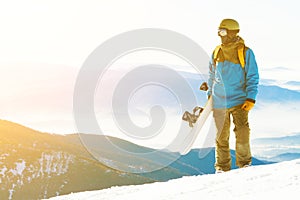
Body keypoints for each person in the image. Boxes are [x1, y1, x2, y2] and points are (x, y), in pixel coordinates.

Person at [207, 18, 259, 172]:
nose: (220, 35)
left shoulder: (245, 52)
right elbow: (211, 75)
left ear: (232, 33)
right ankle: (222, 168)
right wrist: (210, 94)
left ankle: (244, 165)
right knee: (221, 137)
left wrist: (251, 97)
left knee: (242, 133)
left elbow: (253, 76)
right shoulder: (217, 52)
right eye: (219, 32)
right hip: (219, 102)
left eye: (223, 32)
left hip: (240, 100)